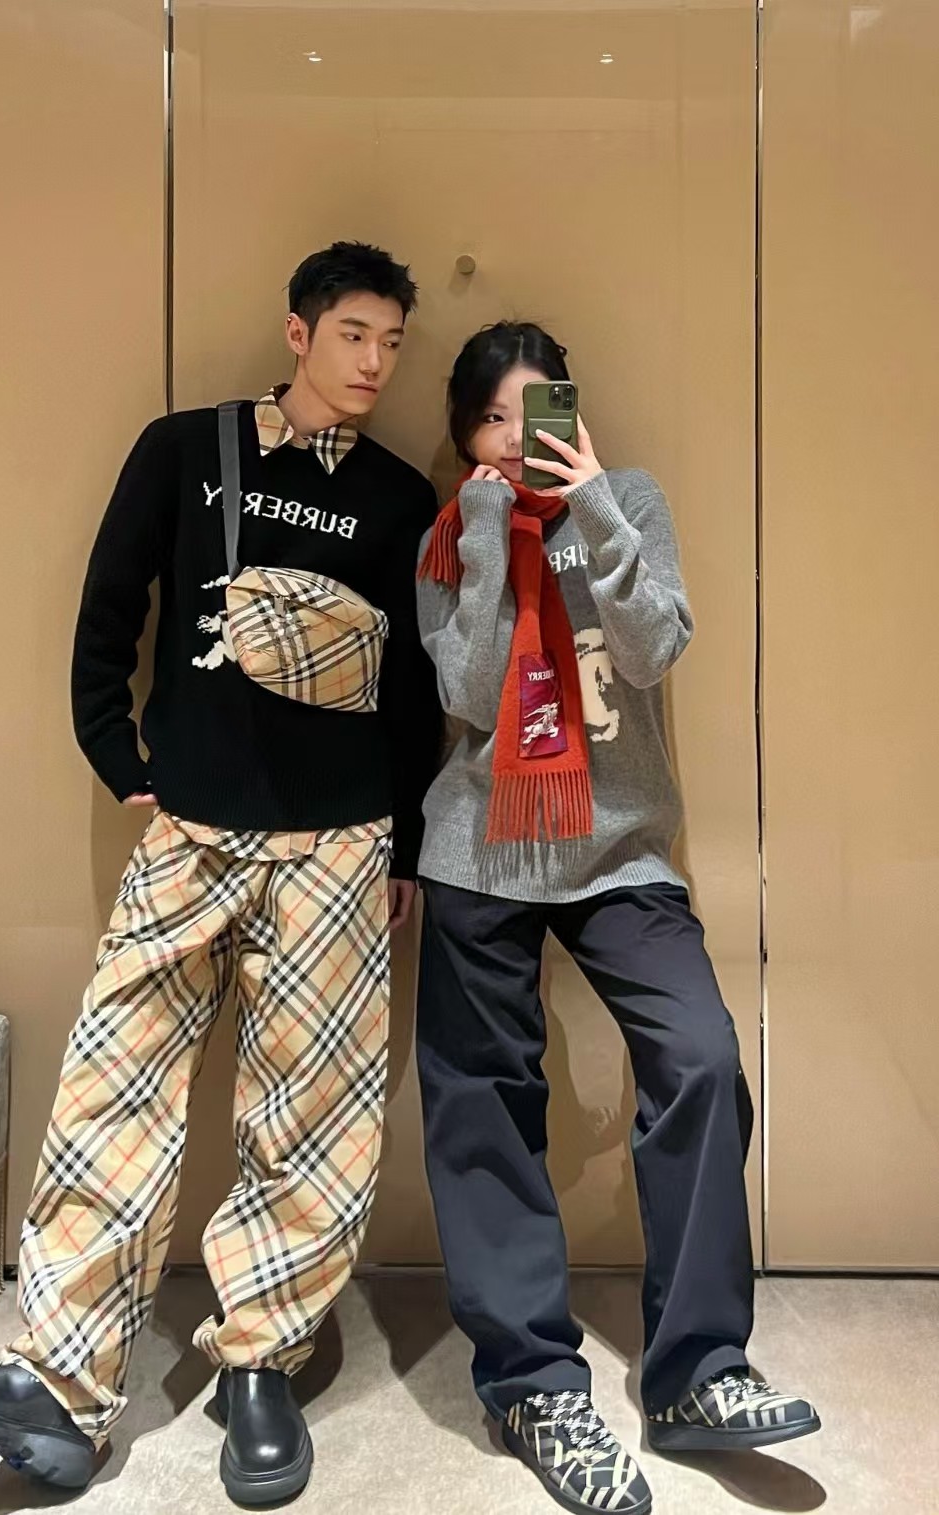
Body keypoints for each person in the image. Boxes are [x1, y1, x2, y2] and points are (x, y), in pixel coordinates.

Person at [0, 241, 442, 1508]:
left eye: (392, 343)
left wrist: (403, 840)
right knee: (113, 1083)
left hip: (341, 846)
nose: (374, 363)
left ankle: (262, 1366)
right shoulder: (190, 450)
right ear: (298, 333)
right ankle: (58, 1387)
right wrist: (112, 748)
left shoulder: (401, 496)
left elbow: (412, 691)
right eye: (353, 335)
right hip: (189, 828)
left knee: (314, 1118)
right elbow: (109, 608)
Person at [413, 321, 820, 1514]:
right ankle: (533, 1383)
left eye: (537, 412)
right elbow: (468, 694)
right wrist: (484, 527)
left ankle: (699, 1370)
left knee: (700, 1061)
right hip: (481, 848)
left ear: (573, 416)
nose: (515, 437)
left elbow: (654, 650)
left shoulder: (627, 499)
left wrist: (590, 502)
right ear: (466, 435)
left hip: (621, 851)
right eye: (493, 419)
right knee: (483, 1098)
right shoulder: (446, 535)